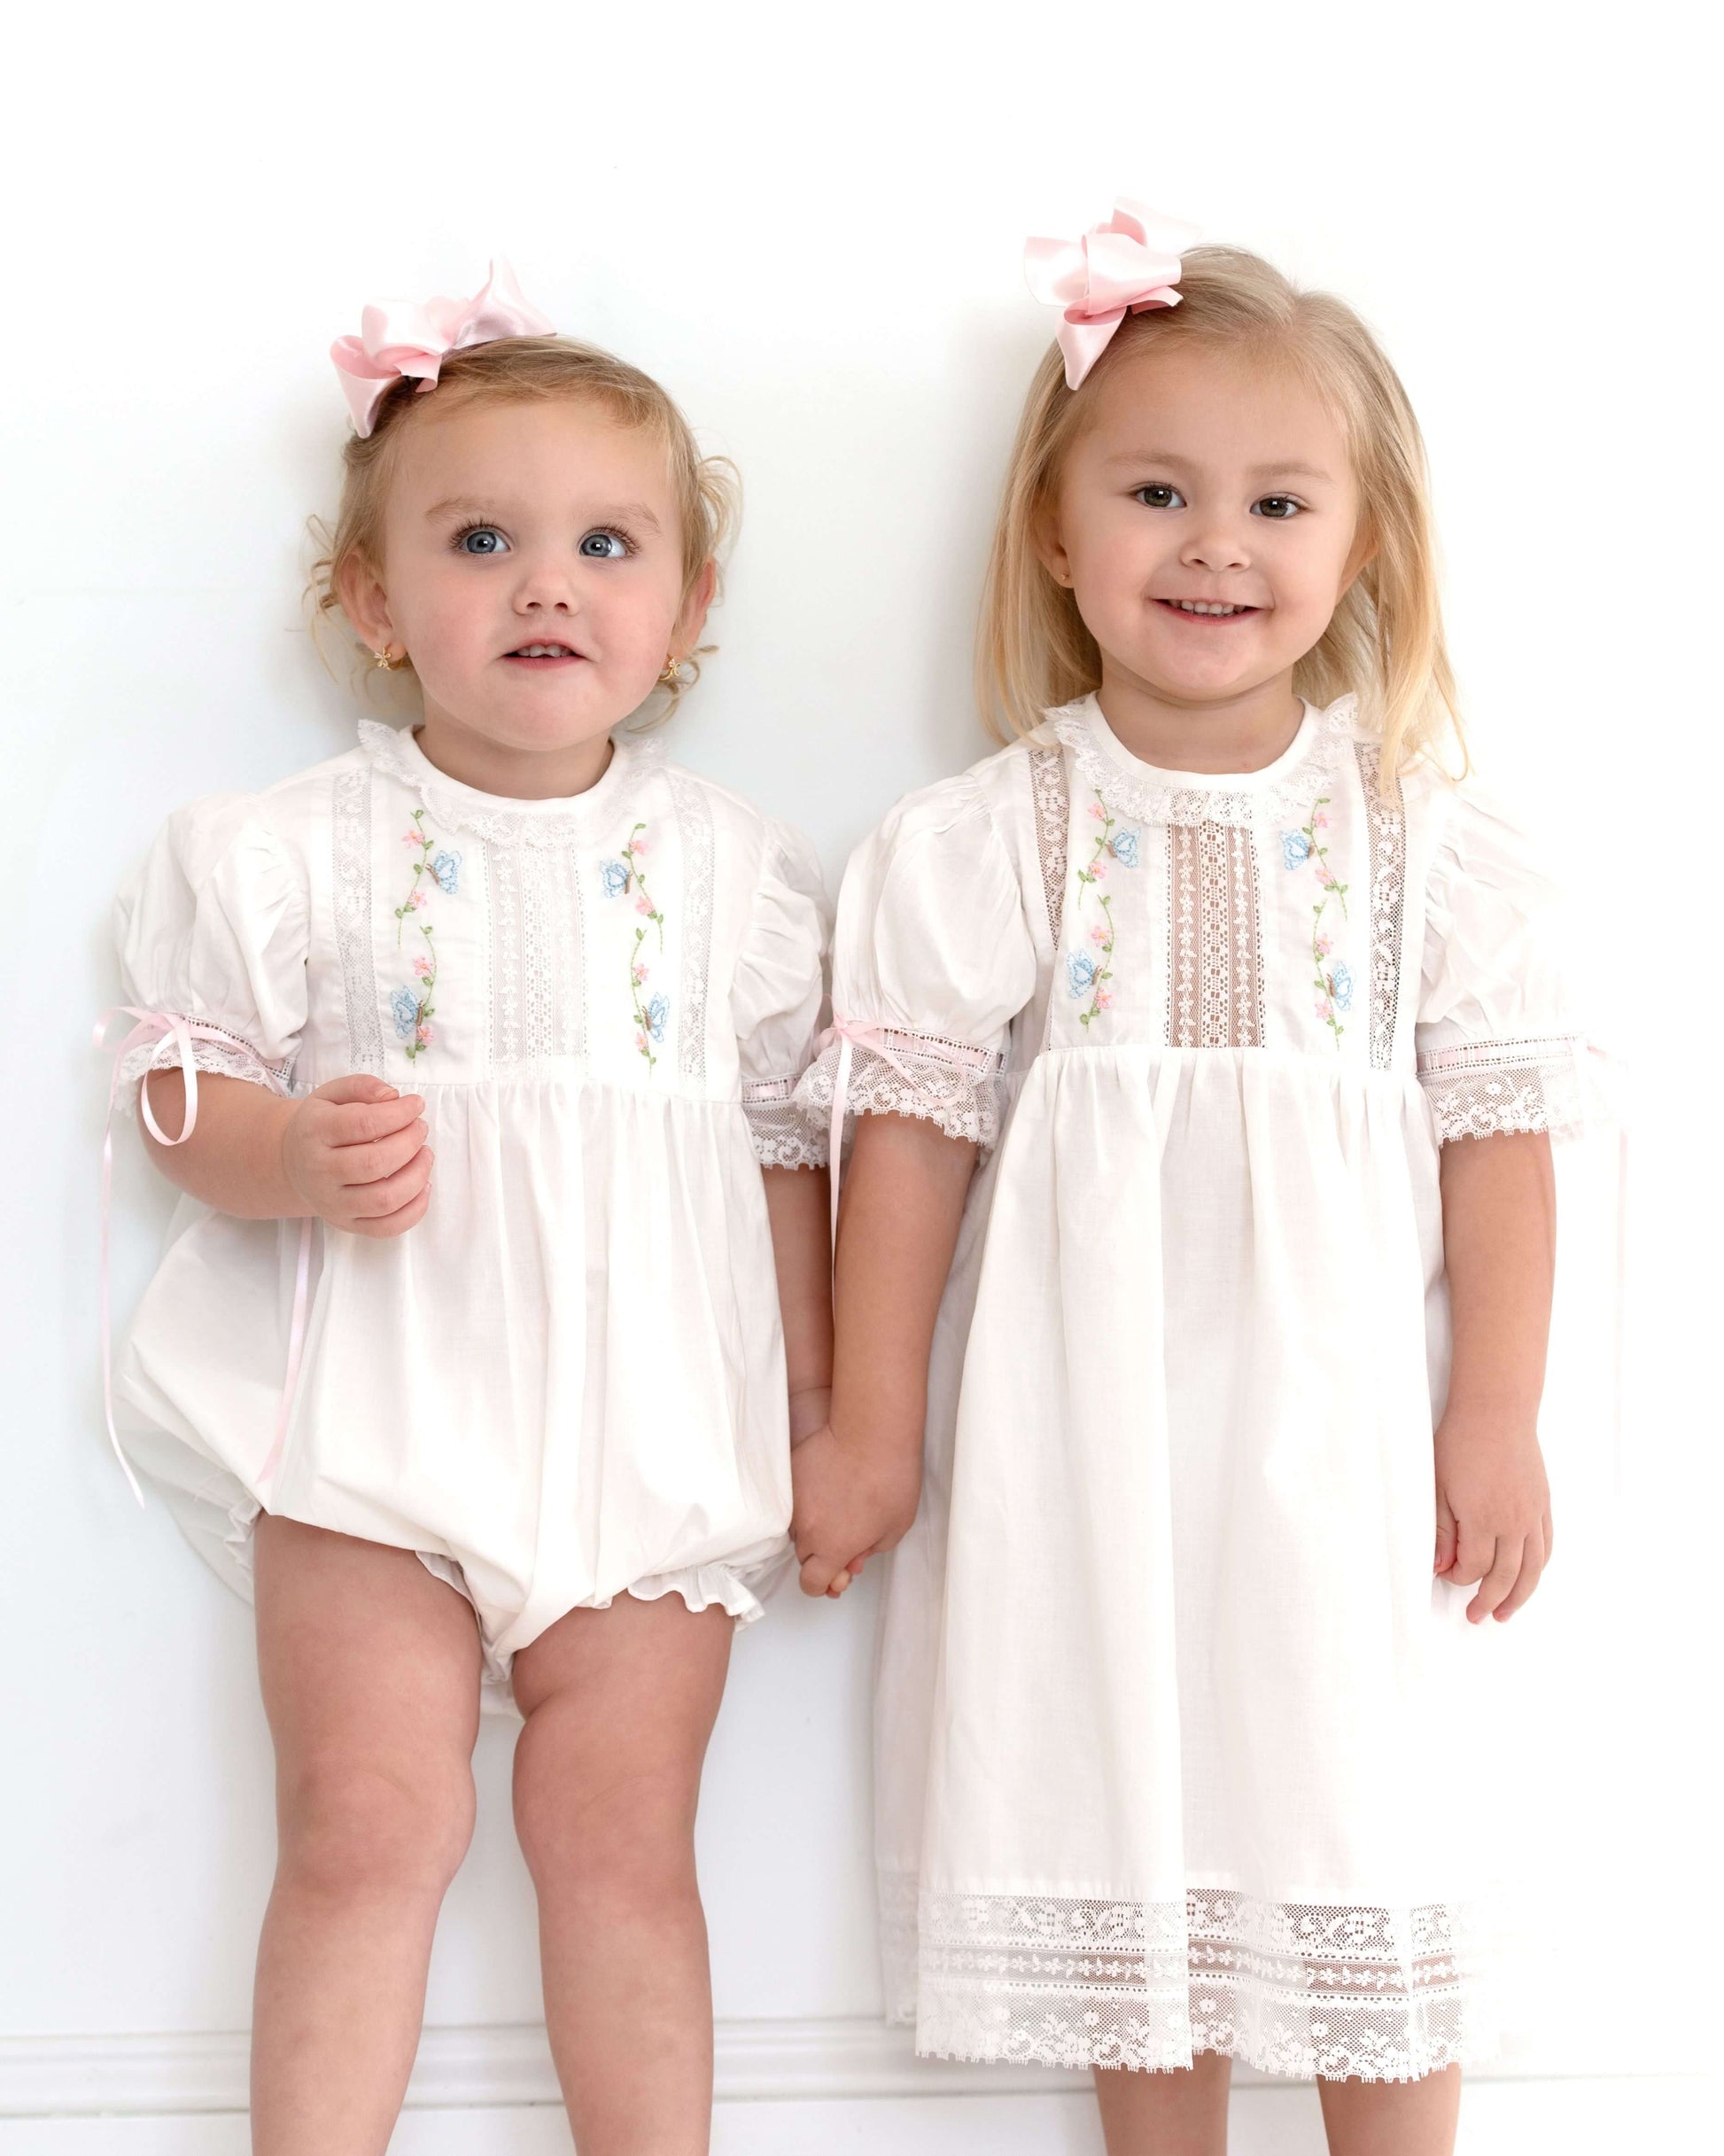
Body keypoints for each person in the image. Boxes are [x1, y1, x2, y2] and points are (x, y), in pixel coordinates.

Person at [790, 205, 1583, 2156]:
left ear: (1361, 546)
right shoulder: (993, 836)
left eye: (1276, 503)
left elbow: (1497, 1139)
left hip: (1340, 1445)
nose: (1215, 544)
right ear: (1056, 535)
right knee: (1123, 1812)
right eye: (1155, 492)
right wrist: (868, 1424)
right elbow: (907, 1143)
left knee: (1355, 1811)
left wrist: (1496, 1410)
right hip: (1085, 1442)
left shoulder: (1420, 846)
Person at [99, 265, 832, 2156]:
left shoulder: (735, 879)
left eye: (606, 544)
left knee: (624, 1845)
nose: (545, 586)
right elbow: (172, 1087)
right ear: (371, 598)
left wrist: (821, 1410)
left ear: (687, 607)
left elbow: (782, 1153)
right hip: (373, 1425)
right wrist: (282, 1153)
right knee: (364, 1823)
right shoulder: (289, 850)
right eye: (481, 540)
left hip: (653, 1440)